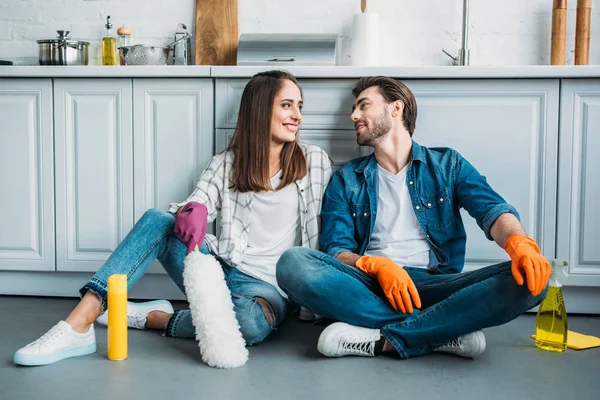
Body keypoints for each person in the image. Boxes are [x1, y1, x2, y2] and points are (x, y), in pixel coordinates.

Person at [14, 70, 332, 366]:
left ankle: (155, 317)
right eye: (287, 105)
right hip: (220, 267)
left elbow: (325, 229)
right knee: (158, 220)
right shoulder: (227, 163)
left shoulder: (314, 160)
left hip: (267, 290)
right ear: (260, 110)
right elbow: (195, 202)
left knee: (247, 326)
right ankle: (78, 325)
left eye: (299, 106)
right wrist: (192, 210)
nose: (297, 116)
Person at [276, 76, 550, 359]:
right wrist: (375, 265)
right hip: (368, 285)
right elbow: (336, 250)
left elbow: (492, 210)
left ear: (396, 108)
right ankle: (442, 330)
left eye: (363, 105)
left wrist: (519, 243)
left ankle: (379, 338)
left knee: (531, 281)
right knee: (293, 264)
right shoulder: (347, 179)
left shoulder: (447, 165)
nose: (353, 115)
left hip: (436, 284)